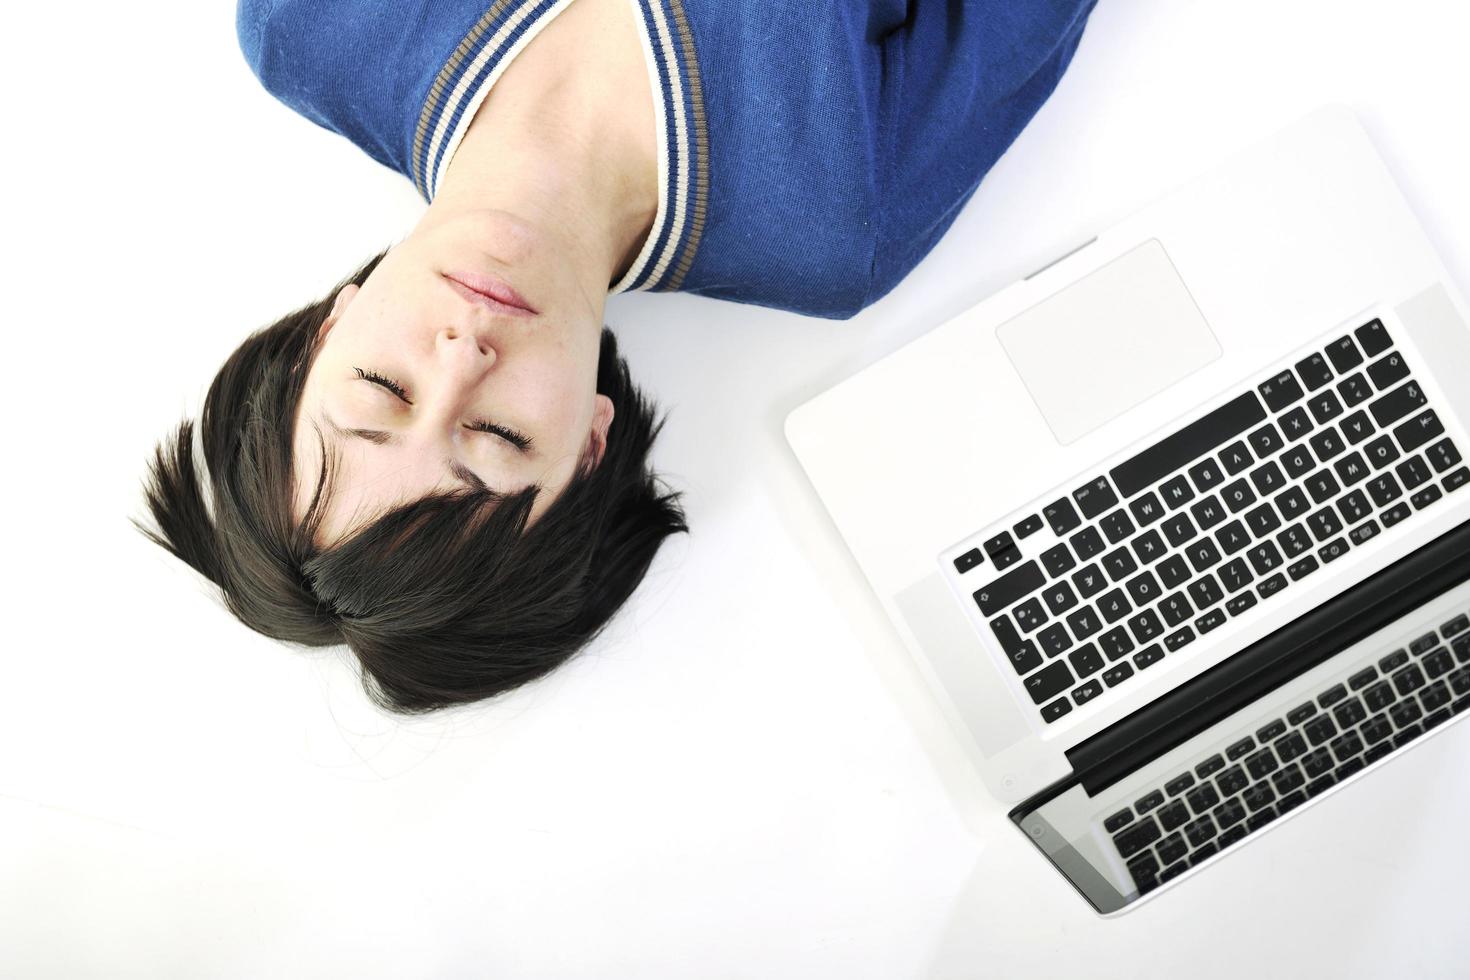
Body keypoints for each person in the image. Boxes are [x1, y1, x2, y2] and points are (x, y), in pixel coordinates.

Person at [137, 0, 1098, 713]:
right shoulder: (839, 217)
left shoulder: (310, 26)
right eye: (498, 437)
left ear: (324, 333)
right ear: (591, 443)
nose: (462, 356)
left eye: (381, 387)